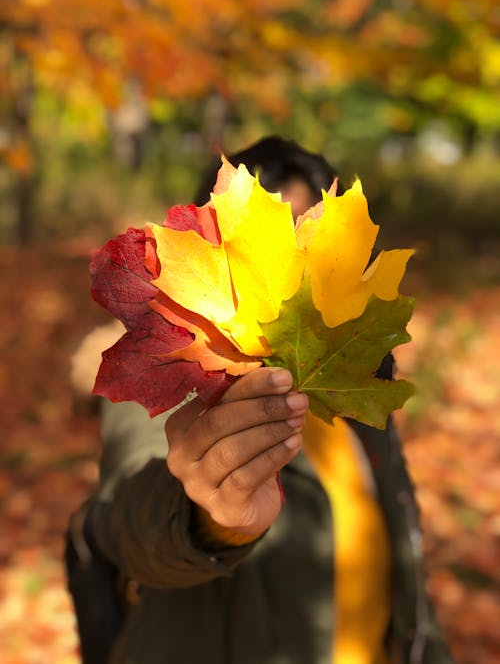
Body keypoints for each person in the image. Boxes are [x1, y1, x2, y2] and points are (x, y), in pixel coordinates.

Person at [66, 137, 454, 664]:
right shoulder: (177, 370)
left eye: (308, 248)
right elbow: (133, 526)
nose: (288, 287)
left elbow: (406, 575)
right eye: (264, 251)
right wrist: (212, 518)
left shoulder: (357, 396)